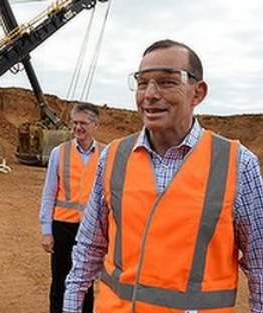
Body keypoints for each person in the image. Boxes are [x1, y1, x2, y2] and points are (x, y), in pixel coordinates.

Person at [62, 39, 263, 313]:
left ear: (197, 92)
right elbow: (89, 248)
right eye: (142, 83)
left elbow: (259, 265)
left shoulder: (237, 164)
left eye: (167, 82)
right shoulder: (113, 157)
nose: (150, 94)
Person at [40, 103, 104, 313]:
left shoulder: (106, 155)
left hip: (91, 230)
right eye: (75, 122)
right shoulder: (60, 153)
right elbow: (49, 193)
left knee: (86, 282)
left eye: (83, 123)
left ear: (95, 125)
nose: (78, 127)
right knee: (60, 280)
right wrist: (47, 231)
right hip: (63, 226)